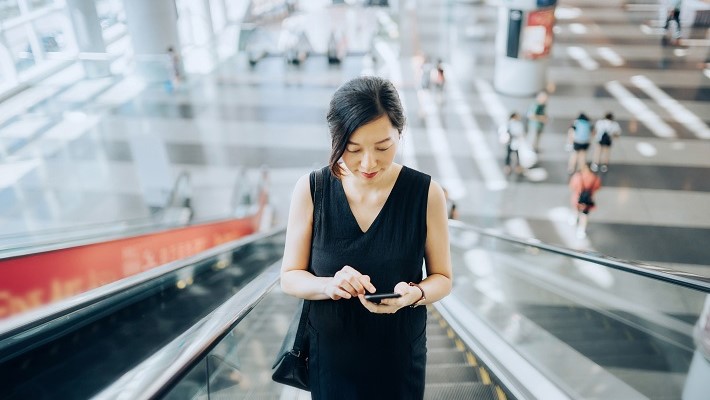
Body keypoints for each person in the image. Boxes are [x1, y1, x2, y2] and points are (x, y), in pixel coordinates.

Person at [280, 76, 453, 399]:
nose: (369, 163)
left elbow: (442, 278)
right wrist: (327, 285)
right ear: (335, 140)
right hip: (331, 357)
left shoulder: (426, 194)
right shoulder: (312, 190)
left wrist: (413, 294)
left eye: (383, 147)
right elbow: (289, 278)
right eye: (354, 149)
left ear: (400, 135)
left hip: (399, 354)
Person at [568, 163, 601, 239]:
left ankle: (574, 219)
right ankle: (581, 230)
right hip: (588, 199)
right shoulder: (595, 178)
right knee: (585, 215)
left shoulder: (577, 176)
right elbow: (597, 187)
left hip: (577, 198)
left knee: (575, 209)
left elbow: (572, 186)